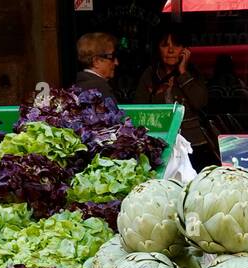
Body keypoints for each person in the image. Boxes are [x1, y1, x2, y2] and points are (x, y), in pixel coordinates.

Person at [135, 27, 214, 167]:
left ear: (185, 50)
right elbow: (139, 111)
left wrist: (183, 73)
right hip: (159, 143)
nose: (170, 51)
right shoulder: (150, 74)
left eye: (176, 45)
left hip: (193, 143)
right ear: (158, 49)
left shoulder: (193, 73)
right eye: (165, 45)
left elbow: (200, 102)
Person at [74, 32, 120, 101]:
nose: (116, 63)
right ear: (96, 61)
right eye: (112, 57)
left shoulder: (79, 84)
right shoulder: (98, 88)